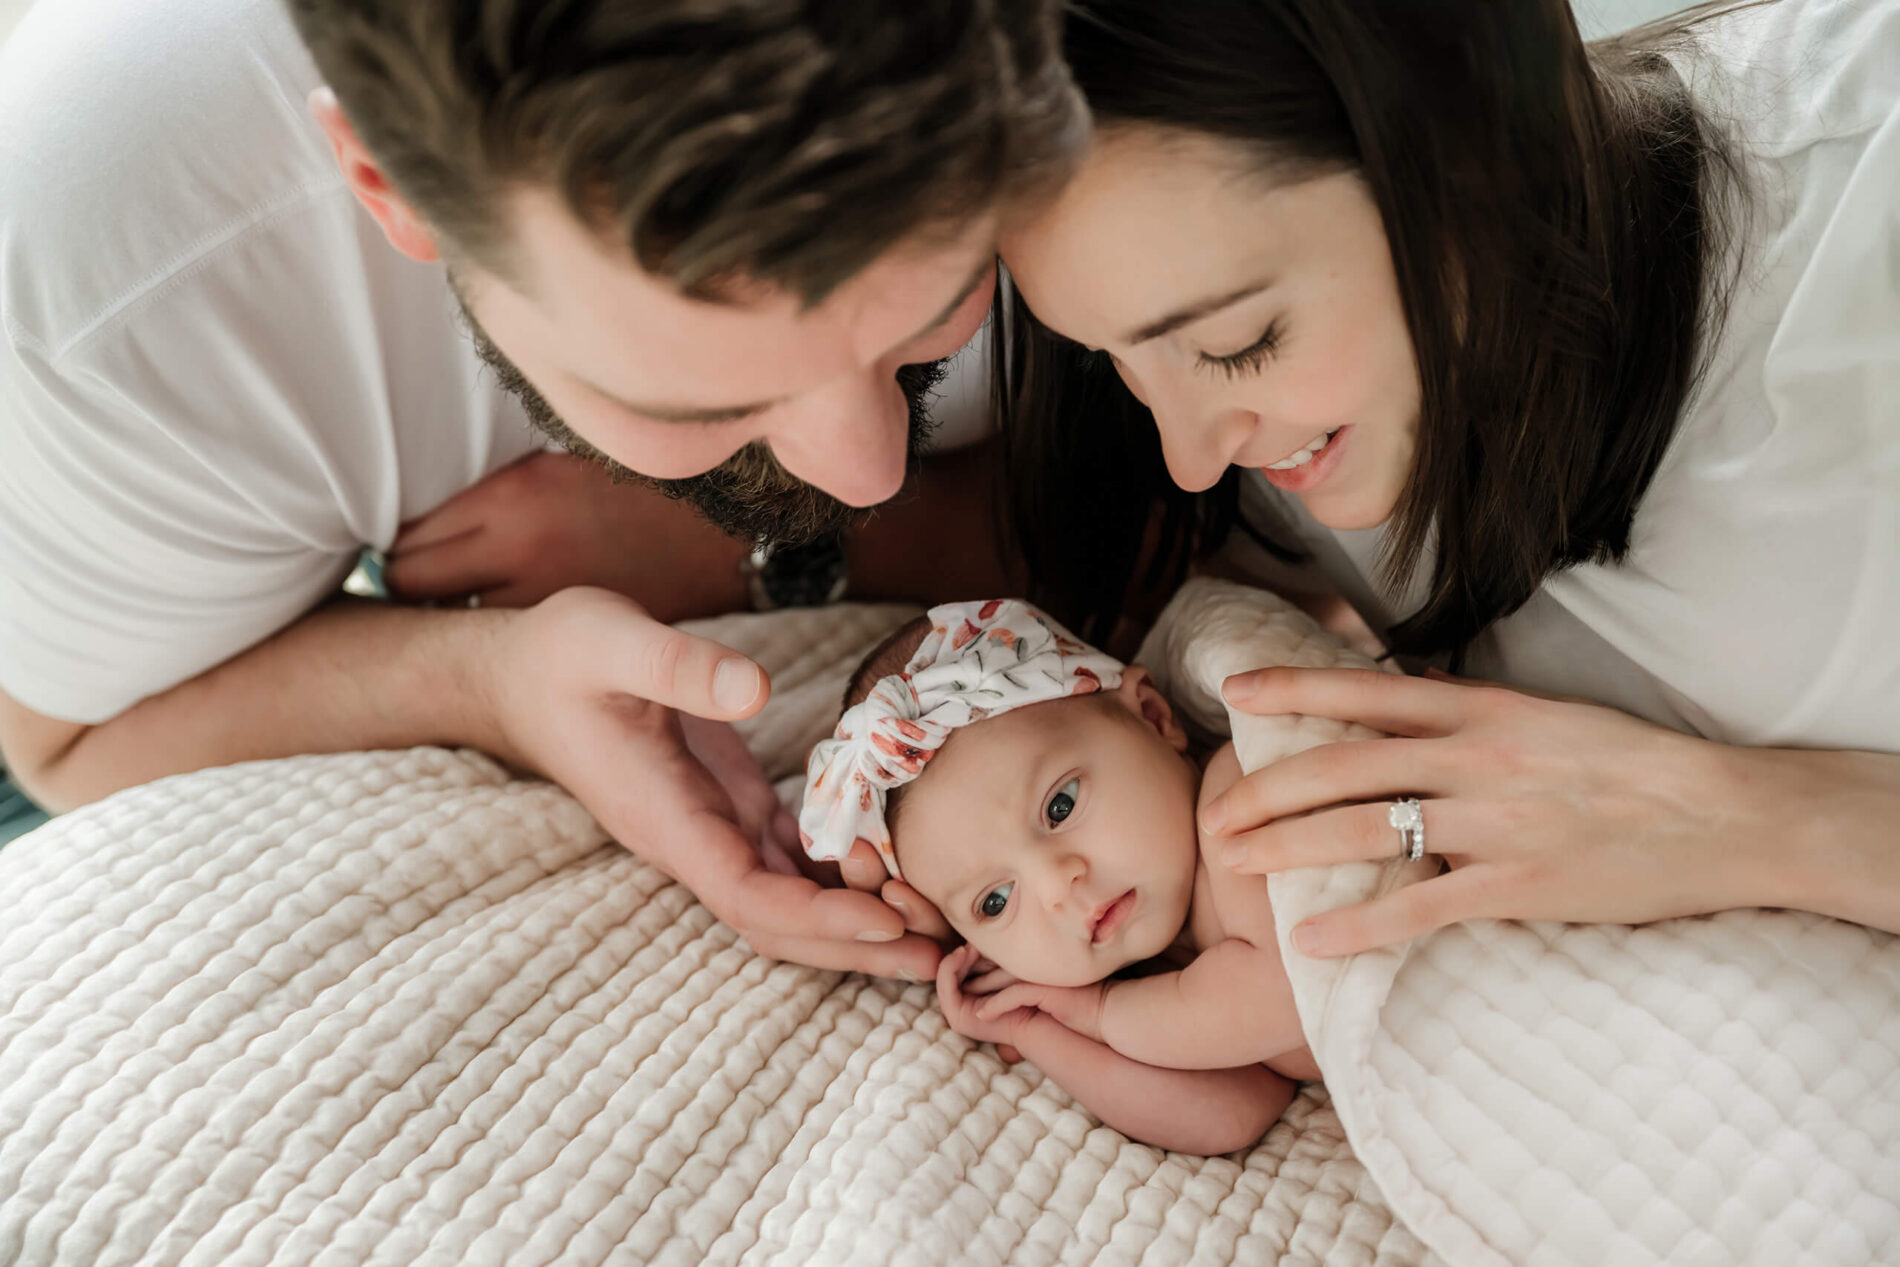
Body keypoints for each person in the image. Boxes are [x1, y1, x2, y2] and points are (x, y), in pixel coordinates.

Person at [0, 0, 1087, 977]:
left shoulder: (1086, 53)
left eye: (940, 299)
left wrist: (743, 554)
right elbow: (66, 743)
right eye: (700, 403)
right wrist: (487, 680)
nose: (873, 469)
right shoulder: (111, 271)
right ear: (393, 187)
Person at [992, 0, 1900, 957]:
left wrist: (1750, 822)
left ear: (1472, 161)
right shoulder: (1279, 432)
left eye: (1237, 345)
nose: (1193, 457)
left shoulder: (1864, 226)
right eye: (1117, 364)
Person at [801, 599, 1317, 1155]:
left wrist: (1101, 1016)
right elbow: (1227, 1115)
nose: (1056, 888)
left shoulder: (1239, 795)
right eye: (995, 902)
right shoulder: (1155, 977)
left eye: (1061, 806)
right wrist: (1036, 1028)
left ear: (1153, 716)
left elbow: (1290, 997)